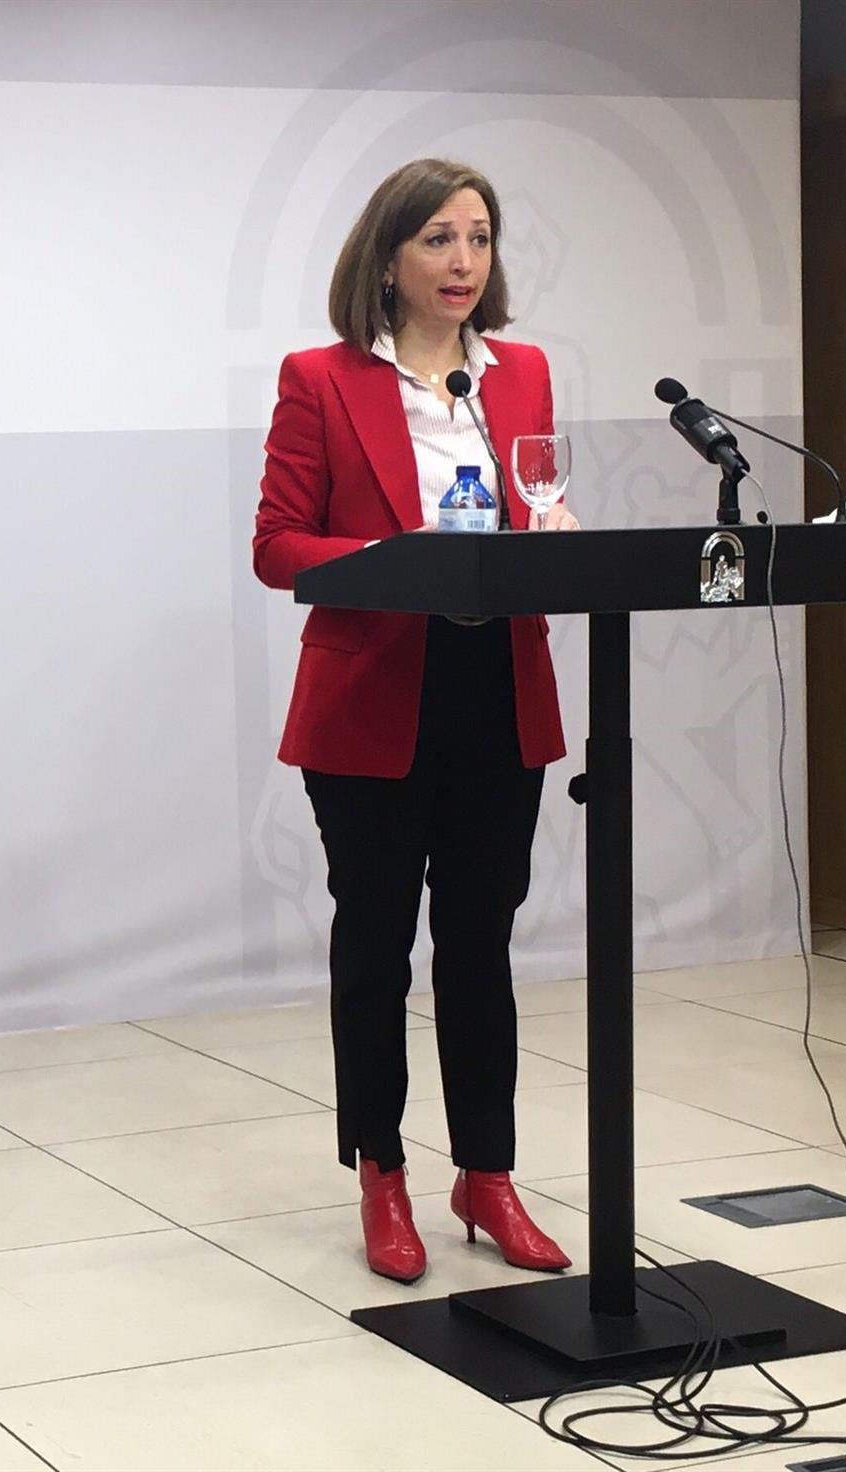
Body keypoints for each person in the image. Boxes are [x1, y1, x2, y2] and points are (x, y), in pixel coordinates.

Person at [252, 158, 578, 1283]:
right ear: (387, 256)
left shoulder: (520, 373)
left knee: (482, 941)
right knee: (377, 944)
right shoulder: (324, 378)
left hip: (498, 682)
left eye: (479, 239)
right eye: (438, 239)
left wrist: (553, 529)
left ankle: (487, 1173)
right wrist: (396, 562)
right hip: (374, 694)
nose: (462, 262)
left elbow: (536, 500)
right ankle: (380, 1171)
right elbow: (278, 544)